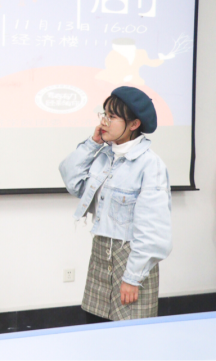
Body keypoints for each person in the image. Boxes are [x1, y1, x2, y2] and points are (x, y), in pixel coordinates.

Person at [59, 87, 172, 322]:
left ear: (134, 124)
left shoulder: (150, 165)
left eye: (112, 117)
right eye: (104, 114)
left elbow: (153, 230)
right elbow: (72, 180)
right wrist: (92, 143)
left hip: (132, 264)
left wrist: (132, 278)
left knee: (130, 338)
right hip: (100, 258)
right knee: (95, 330)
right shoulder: (103, 156)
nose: (104, 122)